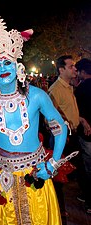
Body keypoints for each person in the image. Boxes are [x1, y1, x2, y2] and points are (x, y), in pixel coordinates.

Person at [0, 11, 68, 225]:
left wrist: (53, 164)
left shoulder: (38, 96)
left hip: (36, 173)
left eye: (6, 62)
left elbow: (60, 128)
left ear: (17, 66)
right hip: (2, 176)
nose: (3, 69)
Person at [48, 55, 80, 216]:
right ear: (61, 70)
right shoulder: (55, 90)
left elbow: (67, 111)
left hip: (73, 135)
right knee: (58, 175)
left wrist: (82, 121)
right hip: (62, 138)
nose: (75, 68)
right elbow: (50, 118)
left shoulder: (69, 86)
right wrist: (61, 135)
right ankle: (58, 209)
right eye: (71, 66)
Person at [75, 58, 91, 214]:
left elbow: (76, 112)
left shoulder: (80, 89)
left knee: (89, 168)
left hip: (87, 133)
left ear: (83, 72)